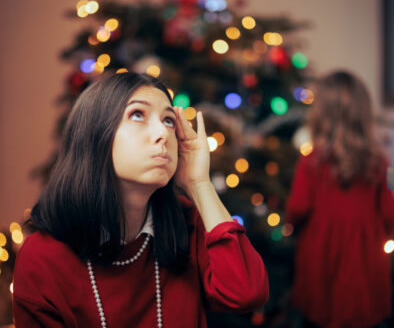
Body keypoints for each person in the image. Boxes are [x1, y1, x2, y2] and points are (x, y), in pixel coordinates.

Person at [12, 72, 269, 327]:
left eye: (168, 120)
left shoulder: (185, 224)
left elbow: (246, 293)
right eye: (137, 114)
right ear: (95, 136)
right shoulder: (43, 256)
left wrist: (199, 183)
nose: (163, 134)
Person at [285, 70, 394, 328]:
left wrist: (291, 225)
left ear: (321, 114)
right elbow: (390, 212)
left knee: (319, 315)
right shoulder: (380, 164)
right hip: (365, 261)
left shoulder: (311, 162)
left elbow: (298, 208)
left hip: (320, 257)